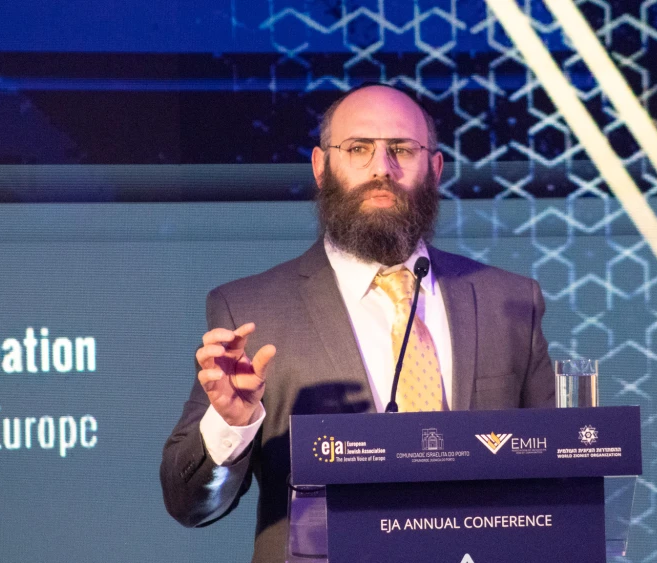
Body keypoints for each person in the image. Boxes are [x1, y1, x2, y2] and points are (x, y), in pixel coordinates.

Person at [160, 84, 555, 562]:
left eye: (401, 150)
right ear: (321, 167)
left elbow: (557, 477)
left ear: (434, 168)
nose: (381, 168)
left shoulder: (509, 301)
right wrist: (231, 424)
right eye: (358, 149)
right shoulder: (250, 310)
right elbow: (188, 504)